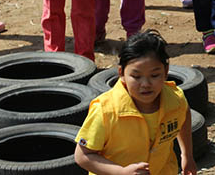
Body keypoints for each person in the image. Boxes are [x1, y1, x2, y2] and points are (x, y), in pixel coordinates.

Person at [74, 30, 196, 175]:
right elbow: (82, 156)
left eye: (155, 75)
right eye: (136, 76)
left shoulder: (175, 99)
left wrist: (187, 155)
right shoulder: (106, 111)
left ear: (166, 71)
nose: (145, 84)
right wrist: (121, 172)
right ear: (121, 73)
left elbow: (184, 113)